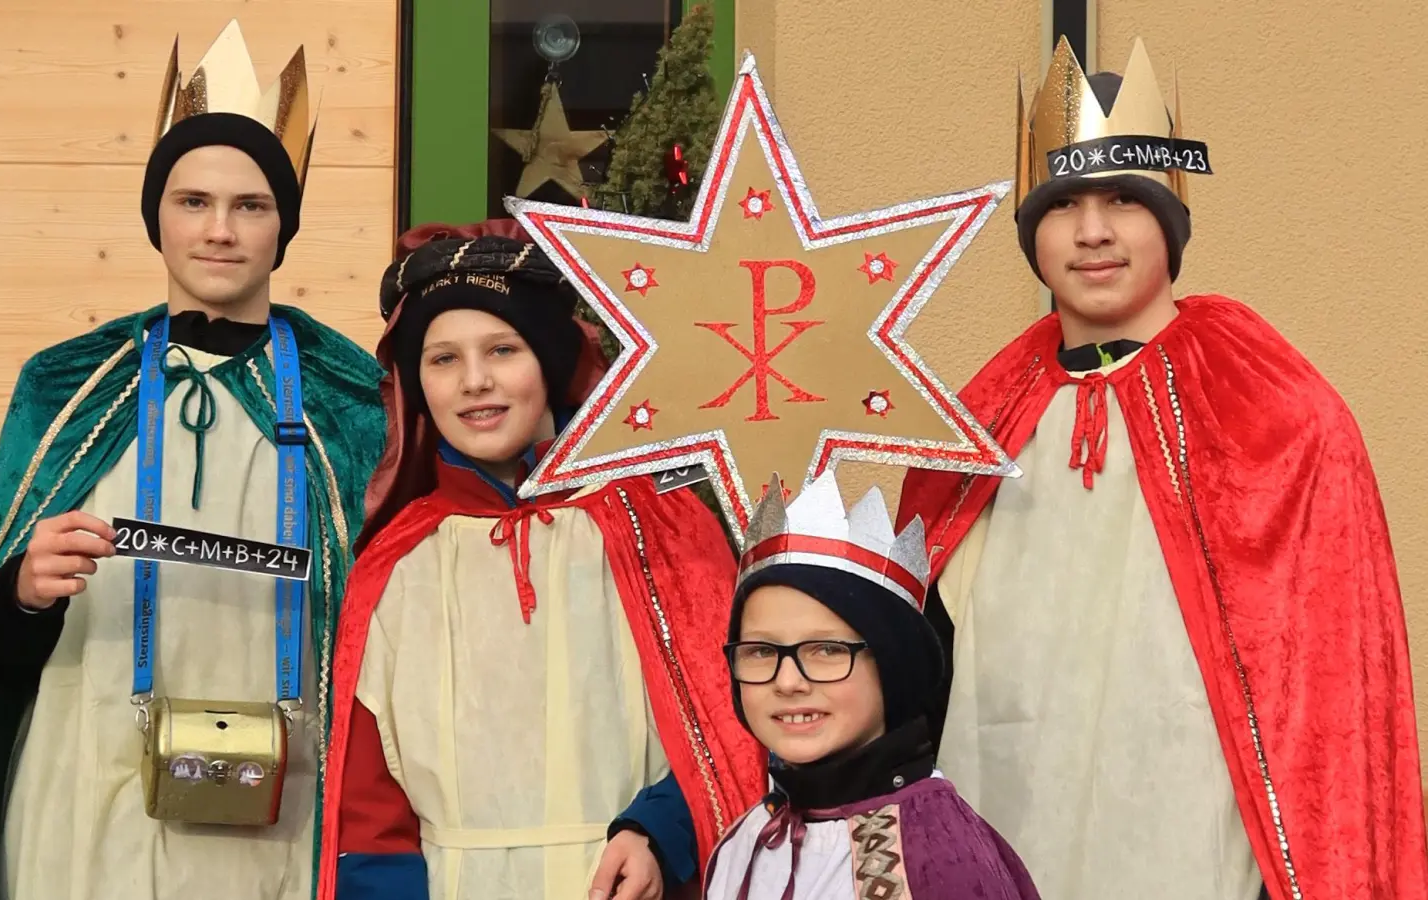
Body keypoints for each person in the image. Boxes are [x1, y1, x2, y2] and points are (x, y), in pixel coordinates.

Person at [896, 36, 1428, 900]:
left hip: (1197, 842)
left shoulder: (1277, 408)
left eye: (1124, 201)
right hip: (1003, 823)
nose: (1094, 231)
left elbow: (1329, 699)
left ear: (1171, 223)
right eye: (1065, 203)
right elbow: (917, 662)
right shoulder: (978, 418)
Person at [0, 21, 387, 900]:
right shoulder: (69, 387)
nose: (220, 230)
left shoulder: (352, 398)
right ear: (157, 218)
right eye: (193, 202)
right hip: (88, 793)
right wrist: (22, 592)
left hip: (278, 810)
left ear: (283, 223)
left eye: (251, 206)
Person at [312, 218, 767, 900]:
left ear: (549, 361)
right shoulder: (401, 560)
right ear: (417, 385)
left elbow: (733, 710)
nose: (475, 382)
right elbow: (370, 802)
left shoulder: (653, 526)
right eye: (443, 359)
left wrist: (658, 833)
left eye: (502, 349)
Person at [705, 471, 1039, 900]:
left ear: (890, 666)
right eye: (762, 651)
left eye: (826, 650)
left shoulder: (937, 861)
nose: (787, 681)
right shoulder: (751, 837)